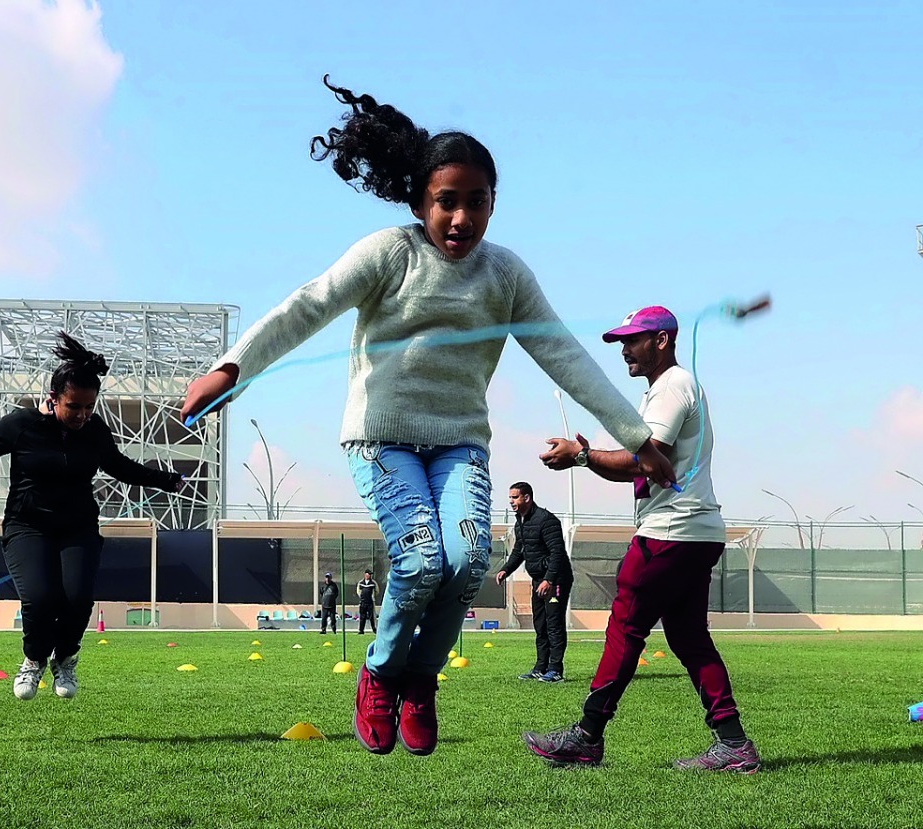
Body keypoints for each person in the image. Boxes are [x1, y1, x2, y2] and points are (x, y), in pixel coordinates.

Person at [180, 76, 674, 757]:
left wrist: (638, 437)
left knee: (468, 559)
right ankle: (380, 673)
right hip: (381, 438)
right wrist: (232, 366)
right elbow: (308, 304)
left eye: (477, 203)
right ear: (420, 200)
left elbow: (564, 354)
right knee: (417, 561)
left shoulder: (505, 275)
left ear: (494, 205)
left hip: (458, 447)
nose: (461, 219)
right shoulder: (390, 252)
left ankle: (420, 679)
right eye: (447, 202)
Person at [525, 306, 760, 773]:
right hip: (696, 530)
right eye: (621, 342)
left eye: (633, 340)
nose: (624, 350)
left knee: (626, 628)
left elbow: (646, 461)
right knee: (689, 637)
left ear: (662, 341)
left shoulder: (672, 387)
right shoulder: (670, 387)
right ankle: (734, 744)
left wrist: (581, 455)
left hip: (669, 532)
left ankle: (588, 736)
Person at [0, 332, 184, 701]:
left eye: (89, 407)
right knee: (41, 599)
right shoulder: (22, 425)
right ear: (53, 399)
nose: (81, 415)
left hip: (77, 528)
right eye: (73, 406)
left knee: (77, 599)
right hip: (27, 527)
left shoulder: (93, 431)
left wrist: (169, 480)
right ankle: (33, 660)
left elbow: (120, 466)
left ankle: (66, 658)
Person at [496, 482, 573, 683]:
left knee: (553, 623)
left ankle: (555, 670)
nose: (511, 501)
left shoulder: (546, 521)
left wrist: (549, 579)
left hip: (556, 580)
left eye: (515, 497)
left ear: (527, 497)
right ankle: (541, 667)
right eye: (510, 498)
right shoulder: (520, 522)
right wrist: (505, 569)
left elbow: (558, 553)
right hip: (538, 579)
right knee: (540, 624)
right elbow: (520, 551)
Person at [356, 569, 378, 634]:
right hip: (363, 602)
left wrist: (372, 597)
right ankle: (361, 630)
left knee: (372, 616)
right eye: (369, 574)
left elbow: (377, 591)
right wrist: (362, 597)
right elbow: (358, 591)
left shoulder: (373, 583)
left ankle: (374, 629)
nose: (370, 575)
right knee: (362, 616)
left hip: (370, 602)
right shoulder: (361, 583)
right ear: (366, 574)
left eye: (370, 574)